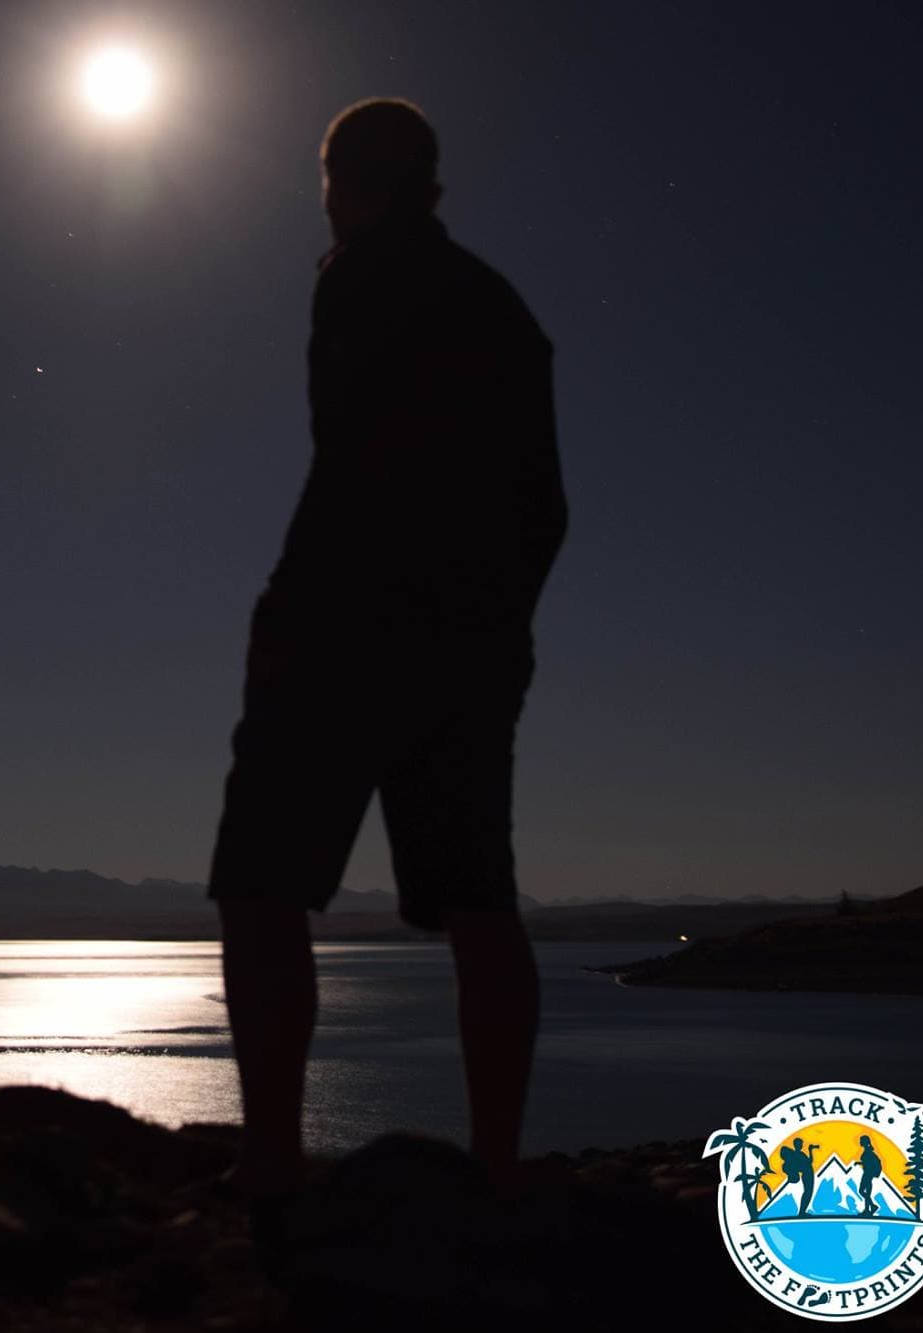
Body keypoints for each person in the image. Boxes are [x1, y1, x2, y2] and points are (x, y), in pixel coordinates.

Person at [205, 97, 569, 1225]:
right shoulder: (502, 311)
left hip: (346, 627)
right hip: (468, 644)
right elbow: (542, 507)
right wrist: (498, 628)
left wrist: (285, 610)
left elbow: (351, 457)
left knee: (260, 882)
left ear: (347, 180)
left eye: (329, 175)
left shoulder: (359, 277)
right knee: (476, 901)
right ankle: (497, 1169)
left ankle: (270, 1161)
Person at [857, 1134, 882, 1216]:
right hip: (868, 1174)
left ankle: (871, 1206)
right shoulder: (868, 1151)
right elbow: (867, 1162)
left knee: (861, 1191)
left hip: (867, 1174)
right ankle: (868, 1209)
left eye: (861, 1141)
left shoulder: (868, 1151)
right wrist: (860, 1163)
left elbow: (869, 1163)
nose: (859, 1142)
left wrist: (861, 1163)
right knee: (866, 1193)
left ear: (864, 1142)